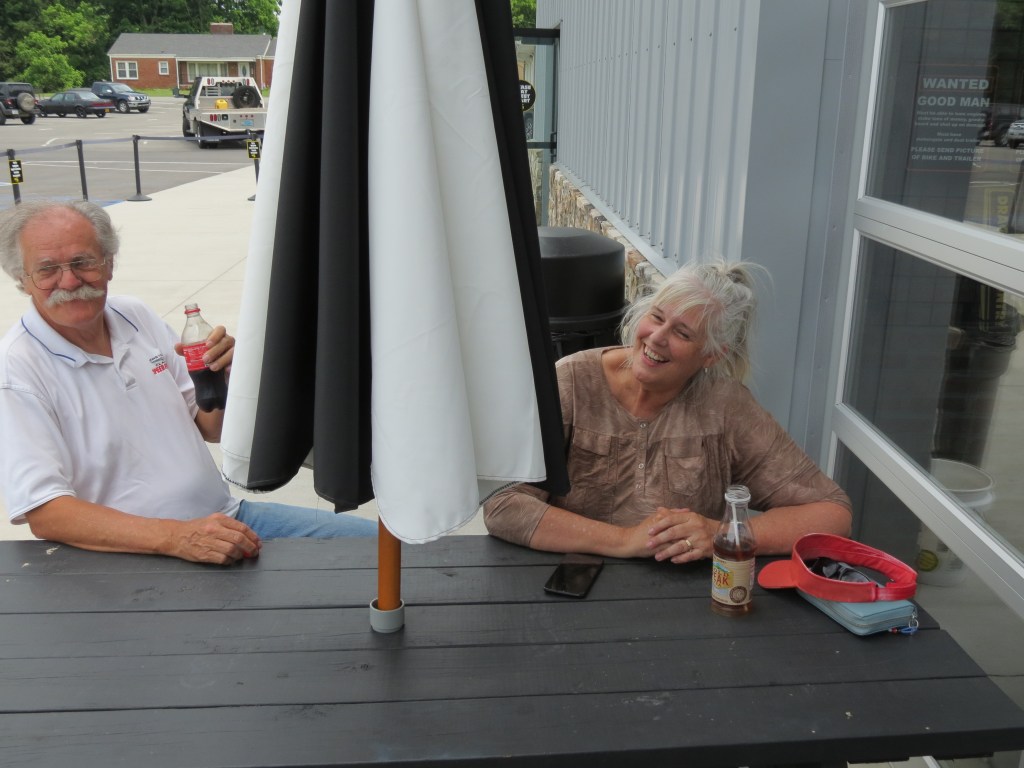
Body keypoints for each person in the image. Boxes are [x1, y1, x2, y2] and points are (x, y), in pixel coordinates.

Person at [0, 200, 375, 565]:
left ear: (109, 263)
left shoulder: (134, 316)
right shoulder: (17, 369)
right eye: (47, 270)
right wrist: (176, 538)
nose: (69, 280)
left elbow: (209, 426)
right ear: (22, 280)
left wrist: (225, 378)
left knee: (387, 548)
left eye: (83, 262)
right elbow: (45, 512)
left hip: (226, 520)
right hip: (134, 557)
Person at [483, 259, 852, 563]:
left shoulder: (726, 407)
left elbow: (832, 512)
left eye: (683, 333)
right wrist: (623, 540)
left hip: (679, 600)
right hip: (569, 587)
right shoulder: (572, 382)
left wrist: (722, 533)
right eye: (657, 317)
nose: (657, 338)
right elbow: (502, 504)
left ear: (712, 355)